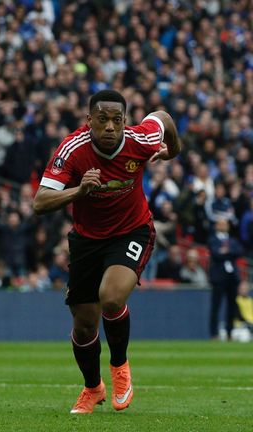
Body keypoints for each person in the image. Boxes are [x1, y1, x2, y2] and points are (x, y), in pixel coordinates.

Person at [33, 89, 181, 414]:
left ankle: (120, 368)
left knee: (111, 297)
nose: (110, 127)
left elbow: (164, 118)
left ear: (125, 121)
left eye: (117, 120)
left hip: (132, 230)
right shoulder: (72, 149)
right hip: (87, 240)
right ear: (89, 121)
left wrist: (172, 152)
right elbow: (40, 202)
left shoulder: (141, 139)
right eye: (103, 120)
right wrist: (80, 190)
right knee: (84, 324)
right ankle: (92, 388)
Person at [208, 218, 242, 340]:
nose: (223, 226)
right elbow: (215, 254)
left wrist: (225, 252)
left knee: (231, 306)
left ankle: (229, 333)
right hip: (219, 276)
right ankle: (213, 333)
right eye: (220, 224)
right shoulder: (213, 239)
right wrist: (228, 253)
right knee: (216, 306)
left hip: (232, 276)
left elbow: (238, 251)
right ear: (216, 226)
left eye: (225, 224)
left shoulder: (232, 240)